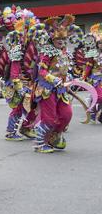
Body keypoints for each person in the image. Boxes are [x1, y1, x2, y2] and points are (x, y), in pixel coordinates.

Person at [32, 16, 81, 153]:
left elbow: (64, 70)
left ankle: (54, 136)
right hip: (47, 89)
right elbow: (41, 70)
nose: (61, 41)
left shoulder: (64, 53)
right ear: (52, 39)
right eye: (59, 39)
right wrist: (53, 79)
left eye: (64, 39)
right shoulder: (47, 52)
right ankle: (40, 143)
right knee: (49, 118)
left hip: (61, 89)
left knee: (66, 115)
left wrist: (69, 78)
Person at [0, 8, 39, 141]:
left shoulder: (33, 48)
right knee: (18, 109)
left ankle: (26, 127)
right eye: (25, 32)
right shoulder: (17, 49)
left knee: (33, 107)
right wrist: (19, 87)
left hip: (30, 83)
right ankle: (10, 132)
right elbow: (15, 72)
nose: (27, 35)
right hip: (18, 85)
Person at [82, 23, 102, 123]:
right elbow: (88, 66)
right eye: (100, 43)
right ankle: (92, 108)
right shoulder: (93, 53)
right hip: (96, 78)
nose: (101, 44)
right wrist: (84, 76)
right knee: (99, 97)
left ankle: (97, 112)